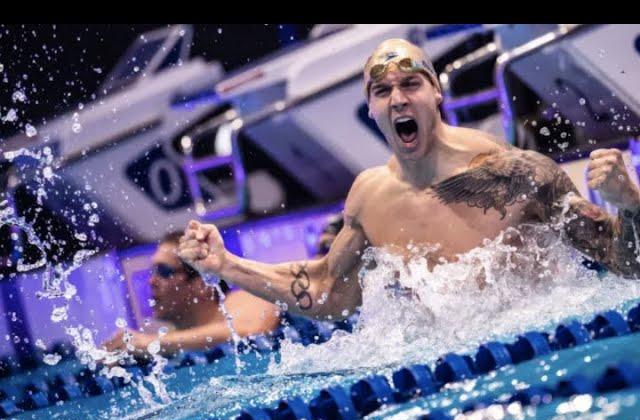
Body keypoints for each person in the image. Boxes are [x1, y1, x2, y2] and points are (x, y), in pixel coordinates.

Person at [177, 38, 640, 323]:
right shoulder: (370, 195)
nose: (398, 98)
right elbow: (326, 290)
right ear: (371, 107)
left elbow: (626, 266)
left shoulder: (517, 173)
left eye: (411, 84)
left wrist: (632, 204)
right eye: (383, 91)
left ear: (435, 92)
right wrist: (226, 265)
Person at [104, 232, 281, 358]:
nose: (152, 281)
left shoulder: (244, 299)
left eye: (164, 271)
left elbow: (251, 329)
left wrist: (151, 342)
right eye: (152, 272)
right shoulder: (173, 338)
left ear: (203, 283)